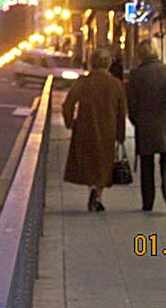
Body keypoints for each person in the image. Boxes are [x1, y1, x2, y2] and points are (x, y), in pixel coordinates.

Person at [61, 47, 126, 212]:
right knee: (103, 164)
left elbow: (68, 105)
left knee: (89, 161)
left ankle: (91, 189)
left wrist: (70, 123)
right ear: (108, 64)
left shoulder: (83, 82)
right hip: (108, 129)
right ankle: (98, 195)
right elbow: (121, 112)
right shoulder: (116, 84)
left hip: (85, 127)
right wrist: (120, 134)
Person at [127, 39, 166, 212]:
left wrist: (136, 121)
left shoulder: (136, 75)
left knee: (146, 164)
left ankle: (148, 202)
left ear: (140, 54)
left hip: (145, 124)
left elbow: (132, 104)